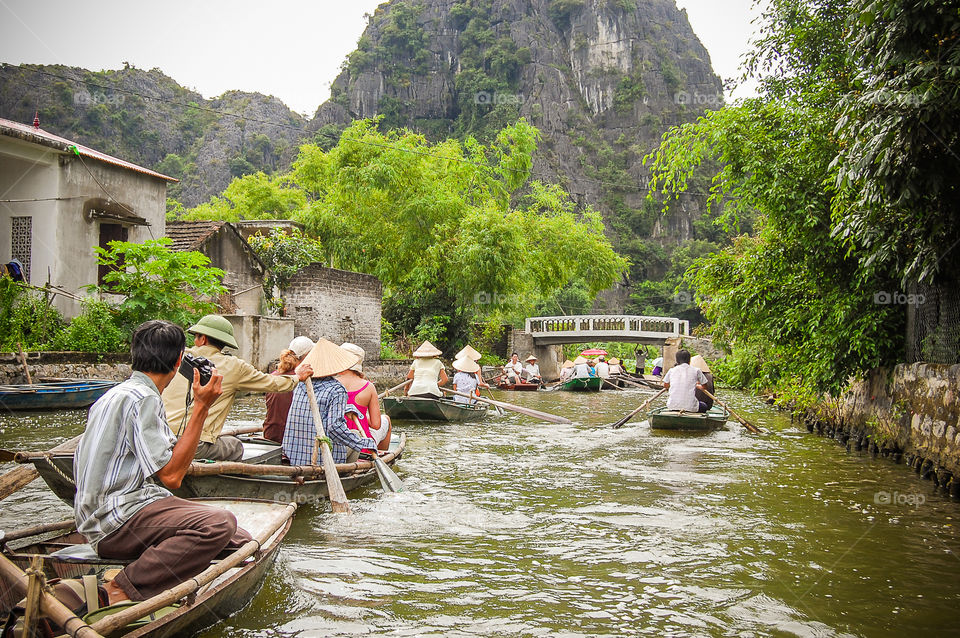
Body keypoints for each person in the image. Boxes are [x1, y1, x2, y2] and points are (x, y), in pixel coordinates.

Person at [74, 320, 251, 606]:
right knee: (219, 524)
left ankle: (158, 571)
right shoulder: (144, 399)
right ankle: (119, 588)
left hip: (99, 516)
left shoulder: (114, 395)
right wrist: (201, 407)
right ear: (180, 360)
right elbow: (171, 478)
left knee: (240, 540)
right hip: (116, 521)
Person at [163, 315, 312, 461]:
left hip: (162, 437)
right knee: (236, 446)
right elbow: (273, 383)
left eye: (196, 336)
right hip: (195, 444)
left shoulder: (178, 358)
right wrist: (297, 377)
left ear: (202, 339)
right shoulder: (234, 366)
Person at [284, 339, 378, 465]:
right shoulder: (336, 389)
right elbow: (335, 428)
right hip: (320, 461)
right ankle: (345, 473)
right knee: (356, 434)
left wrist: (346, 408)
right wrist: (364, 443)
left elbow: (317, 407)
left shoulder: (300, 383)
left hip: (292, 456)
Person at [337, 342, 391, 452]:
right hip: (362, 445)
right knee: (386, 419)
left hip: (337, 443)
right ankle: (383, 454)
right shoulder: (368, 387)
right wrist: (362, 414)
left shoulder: (331, 383)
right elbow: (376, 425)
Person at [263, 336, 314, 443]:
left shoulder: (273, 376)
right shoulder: (303, 380)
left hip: (271, 434)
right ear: (306, 357)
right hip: (290, 438)